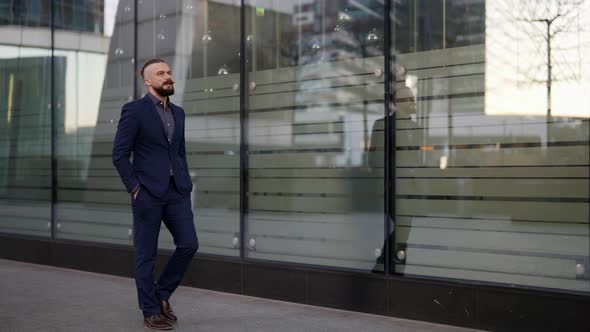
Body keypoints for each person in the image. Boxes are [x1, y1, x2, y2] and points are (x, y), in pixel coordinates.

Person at [112, 58, 198, 330]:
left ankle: (161, 295)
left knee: (189, 244)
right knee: (146, 255)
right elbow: (119, 155)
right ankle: (150, 311)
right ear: (148, 81)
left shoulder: (179, 113)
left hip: (177, 192)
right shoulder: (134, 111)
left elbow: (179, 151)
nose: (167, 76)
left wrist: (184, 180)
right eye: (161, 73)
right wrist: (135, 188)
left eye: (169, 72)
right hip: (148, 193)